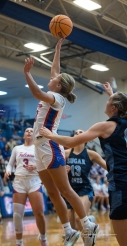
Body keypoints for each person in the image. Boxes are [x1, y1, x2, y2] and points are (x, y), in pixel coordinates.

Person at [24, 39, 99, 246]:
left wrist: (27, 73)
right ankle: (69, 231)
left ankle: (87, 223)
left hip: (49, 145)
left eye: (55, 78)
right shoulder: (56, 92)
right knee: (52, 192)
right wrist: (57, 49)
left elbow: (37, 92)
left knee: (65, 190)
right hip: (39, 149)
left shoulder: (57, 98)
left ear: (58, 85)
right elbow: (55, 70)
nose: (52, 76)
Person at [39, 82, 127, 246]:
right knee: (74, 220)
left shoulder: (104, 126)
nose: (106, 103)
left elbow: (71, 142)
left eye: (109, 101)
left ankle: (88, 228)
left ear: (114, 107)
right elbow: (123, 109)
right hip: (116, 179)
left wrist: (51, 135)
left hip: (120, 181)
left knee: (121, 231)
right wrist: (112, 94)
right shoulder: (124, 122)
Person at [5, 128, 47, 246]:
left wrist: (36, 166)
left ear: (34, 135)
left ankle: (43, 238)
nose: (29, 132)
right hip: (19, 181)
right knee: (17, 215)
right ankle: (19, 242)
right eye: (27, 131)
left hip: (34, 181)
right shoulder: (17, 148)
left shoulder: (38, 148)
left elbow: (44, 166)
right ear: (23, 135)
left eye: (31, 131)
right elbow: (9, 165)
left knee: (39, 213)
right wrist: (8, 171)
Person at [64, 129, 107, 231]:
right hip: (70, 189)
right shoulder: (65, 153)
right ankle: (90, 220)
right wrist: (63, 172)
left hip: (85, 188)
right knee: (73, 227)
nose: (78, 134)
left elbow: (108, 166)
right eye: (76, 133)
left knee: (79, 218)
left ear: (86, 138)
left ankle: (88, 240)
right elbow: (54, 171)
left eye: (81, 132)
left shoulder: (91, 154)